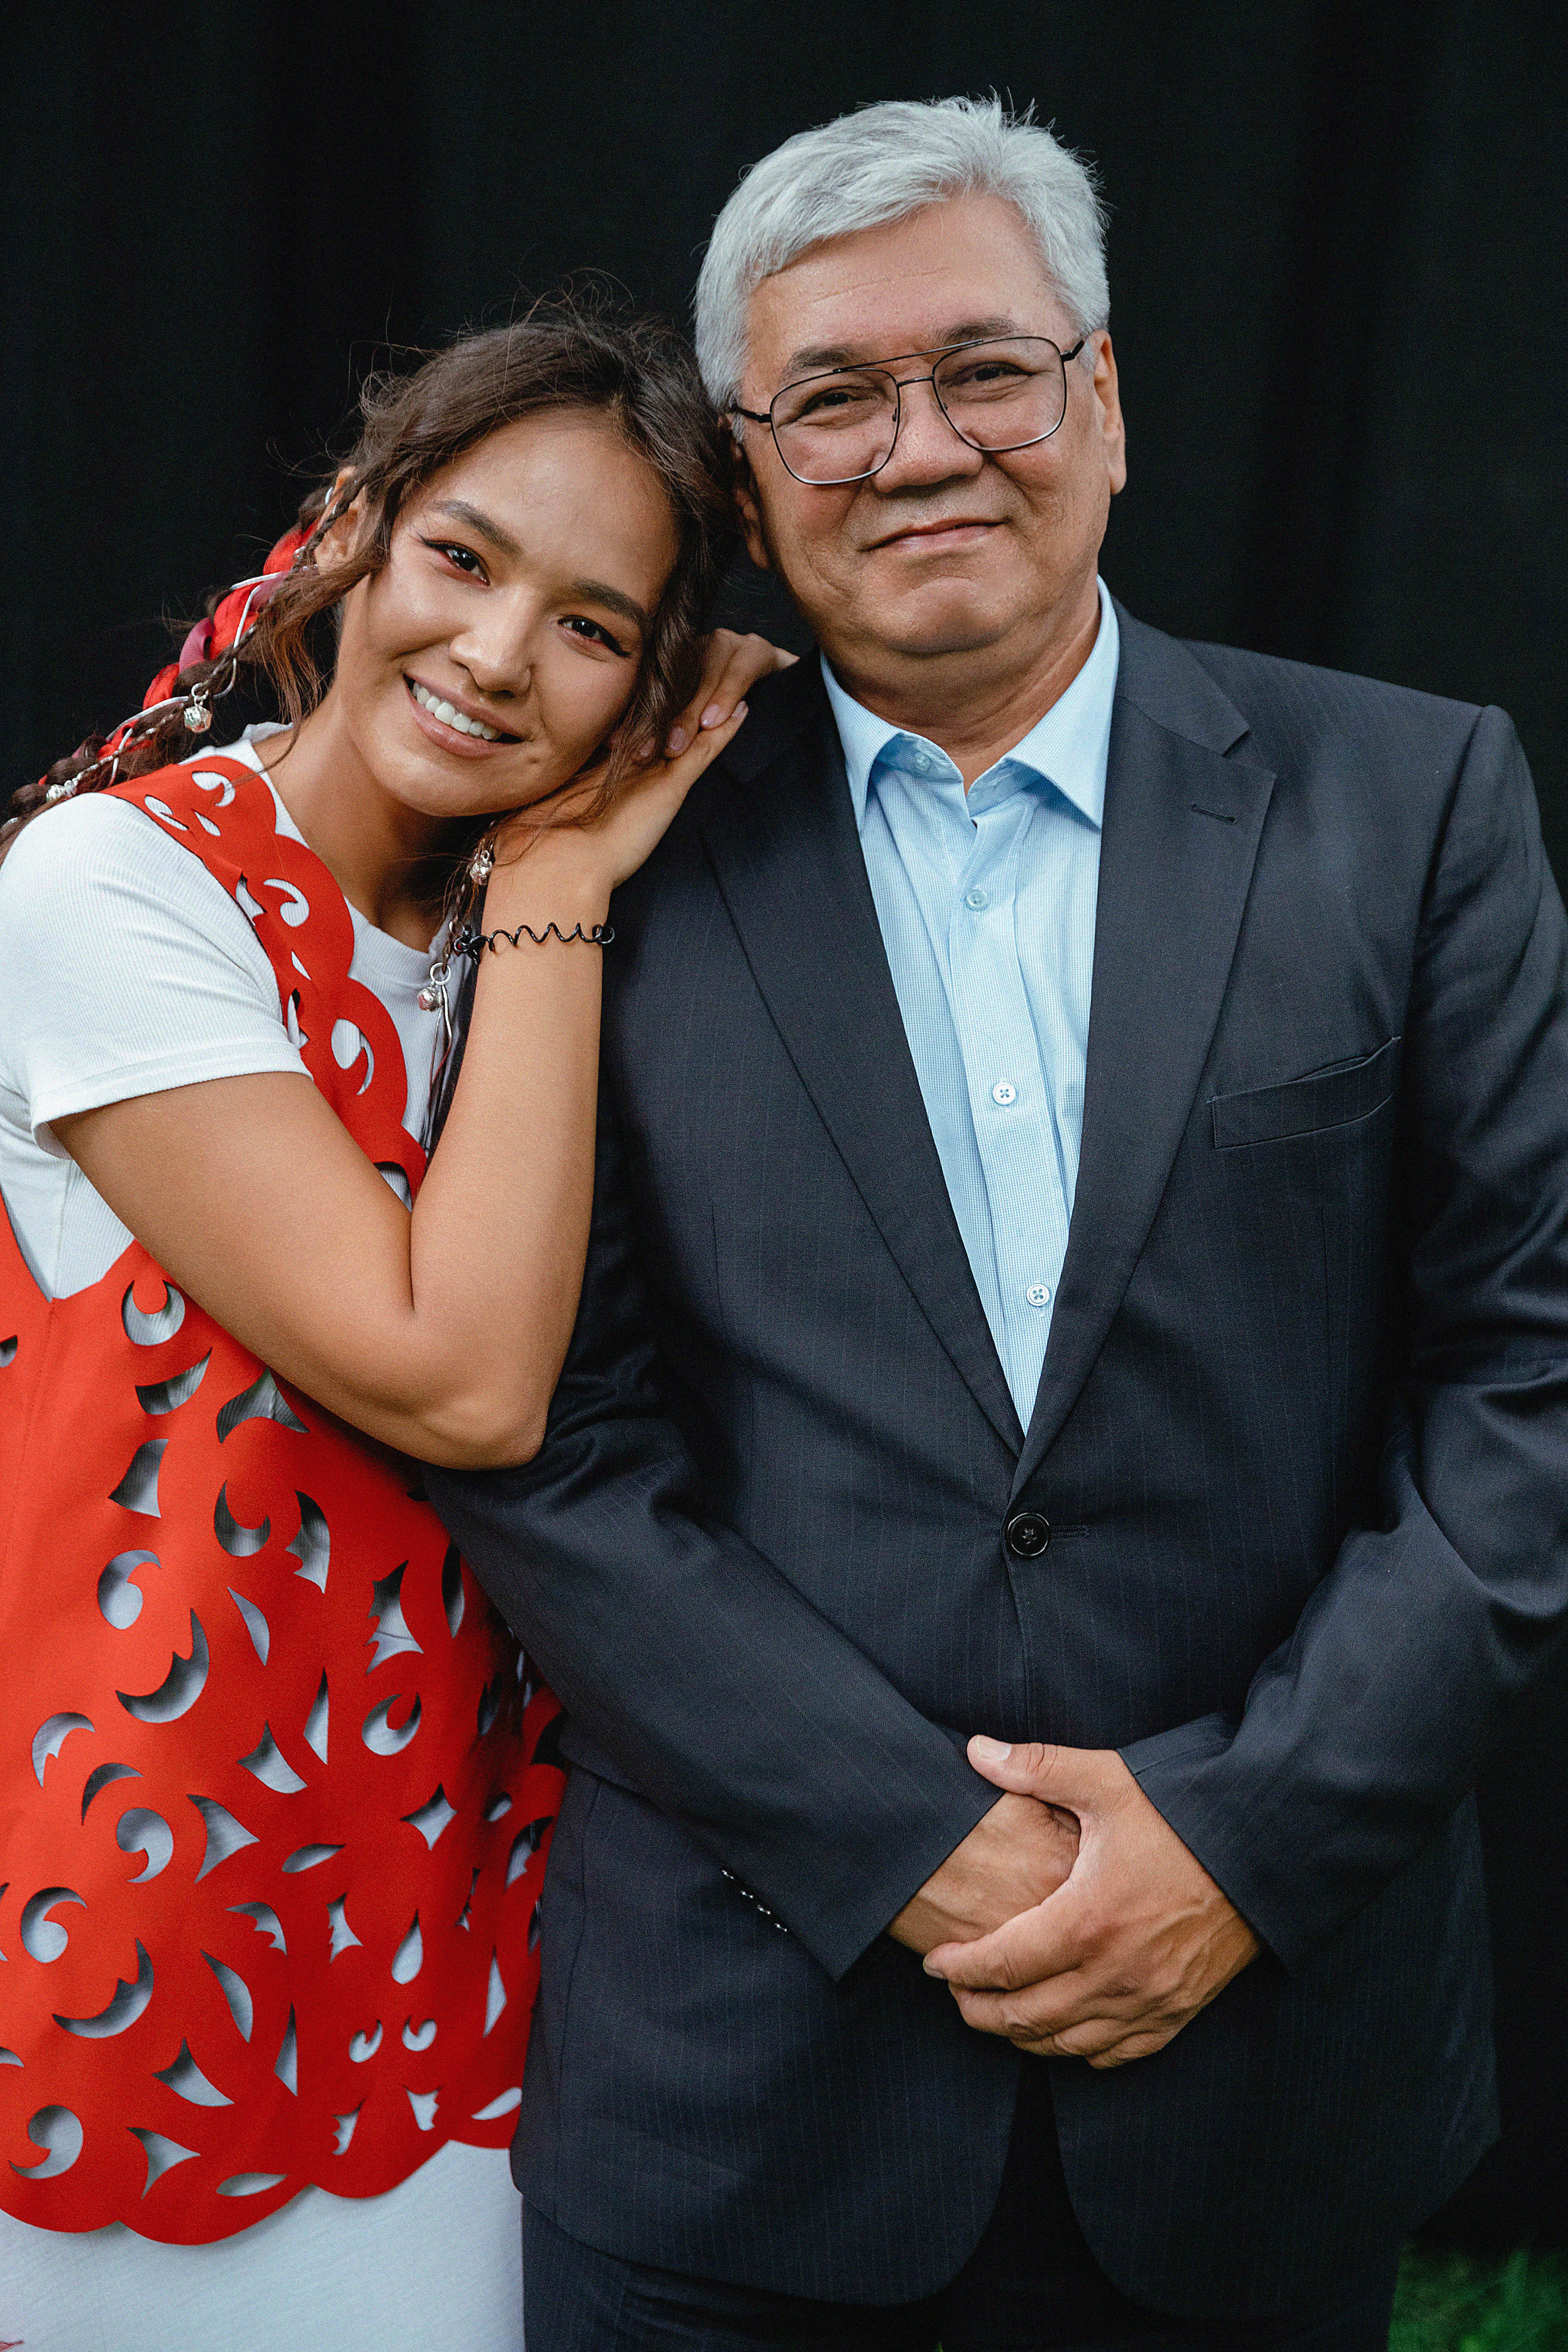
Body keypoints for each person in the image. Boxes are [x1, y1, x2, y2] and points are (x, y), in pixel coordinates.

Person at [428, 97, 1568, 2351]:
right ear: (747, 481)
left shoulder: (1416, 801)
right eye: (830, 399)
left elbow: (1525, 1376)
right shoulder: (585, 864)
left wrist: (1238, 1846)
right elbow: (545, 1436)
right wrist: (920, 1850)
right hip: (745, 2092)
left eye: (987, 369)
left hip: (1265, 2066)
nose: (918, 444)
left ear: (1107, 402)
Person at [0, 304, 790, 2351]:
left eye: (599, 624)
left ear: (652, 689)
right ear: (353, 531)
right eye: (465, 555)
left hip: (472, 1942)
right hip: (130, 1917)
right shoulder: (117, 887)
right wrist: (569, 880)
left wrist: (551, 896)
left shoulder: (557, 942)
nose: (503, 652)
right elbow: (458, 1372)